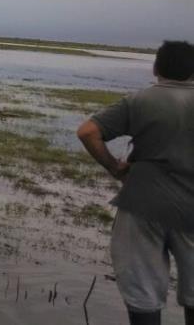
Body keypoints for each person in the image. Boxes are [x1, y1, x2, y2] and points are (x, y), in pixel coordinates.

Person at [77, 40, 194, 325]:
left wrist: (116, 168)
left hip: (142, 205)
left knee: (143, 295)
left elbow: (87, 132)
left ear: (156, 68)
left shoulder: (140, 100)